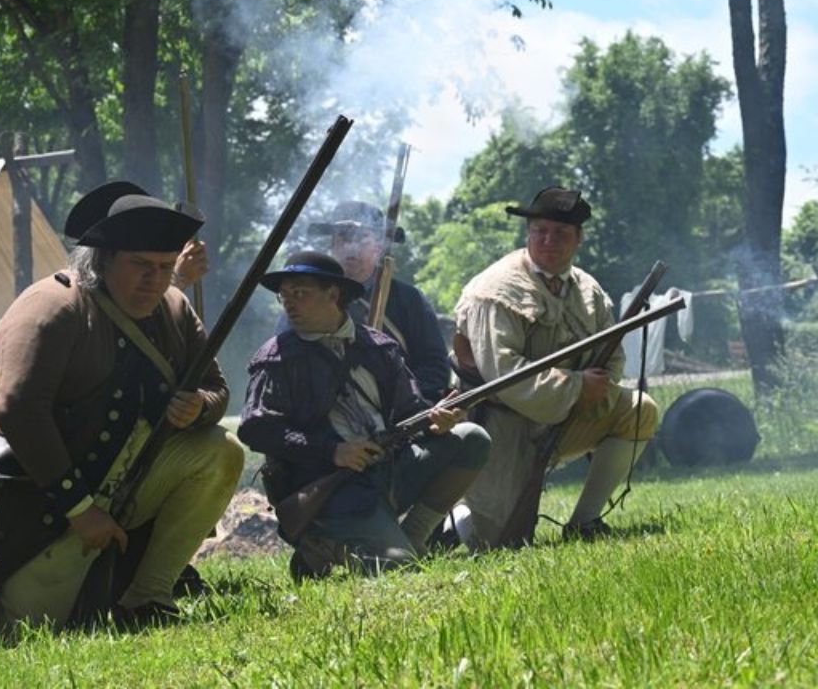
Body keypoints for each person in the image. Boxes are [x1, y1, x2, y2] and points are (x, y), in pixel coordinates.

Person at [0, 181, 243, 630]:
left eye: (162, 266)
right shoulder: (53, 307)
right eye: (140, 265)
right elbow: (21, 411)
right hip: (39, 504)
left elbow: (216, 388)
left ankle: (147, 597)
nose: (155, 279)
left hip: (125, 486)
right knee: (25, 624)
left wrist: (199, 407)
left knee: (221, 451)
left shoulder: (173, 308)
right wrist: (80, 509)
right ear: (103, 259)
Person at [239, 251, 491, 580]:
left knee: (471, 439)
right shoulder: (276, 357)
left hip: (389, 469)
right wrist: (332, 451)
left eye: (300, 293)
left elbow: (410, 411)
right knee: (397, 568)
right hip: (330, 488)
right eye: (285, 294)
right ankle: (323, 544)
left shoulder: (378, 347)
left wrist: (435, 422)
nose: (289, 303)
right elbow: (257, 429)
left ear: (333, 295)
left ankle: (414, 535)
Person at [451, 187, 660, 548]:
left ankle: (585, 522)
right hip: (500, 425)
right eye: (540, 231)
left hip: (564, 414)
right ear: (528, 233)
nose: (549, 240)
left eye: (561, 233)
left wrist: (599, 387)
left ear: (578, 238)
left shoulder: (589, 290)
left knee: (639, 409)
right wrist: (576, 387)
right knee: (497, 544)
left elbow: (611, 354)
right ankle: (451, 514)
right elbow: (503, 373)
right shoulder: (494, 290)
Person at [310, 200, 451, 400]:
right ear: (332, 245)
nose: (351, 247)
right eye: (343, 237)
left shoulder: (409, 300)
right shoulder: (310, 297)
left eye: (361, 238)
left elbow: (435, 368)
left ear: (379, 247)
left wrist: (400, 401)